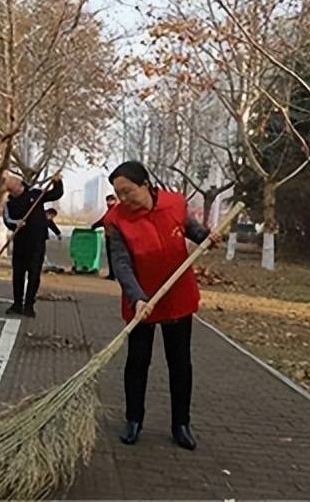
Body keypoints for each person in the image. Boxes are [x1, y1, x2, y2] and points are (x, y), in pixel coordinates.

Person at [101, 161, 220, 451]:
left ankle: (181, 424)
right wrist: (138, 297)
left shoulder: (175, 203)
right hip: (141, 299)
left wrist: (208, 237)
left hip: (177, 296)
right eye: (118, 194)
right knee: (137, 361)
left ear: (145, 184)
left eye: (128, 191)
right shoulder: (115, 220)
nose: (123, 199)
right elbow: (121, 263)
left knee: (180, 363)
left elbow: (193, 231)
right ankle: (134, 420)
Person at [2, 173, 64, 317]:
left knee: (34, 274)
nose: (13, 191)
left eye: (14, 188)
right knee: (18, 274)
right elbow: (7, 220)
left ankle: (29, 305)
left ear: (20, 185)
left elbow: (56, 194)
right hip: (20, 243)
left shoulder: (36, 195)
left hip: (37, 242)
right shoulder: (9, 203)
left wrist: (57, 182)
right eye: (10, 190)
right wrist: (16, 224)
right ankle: (17, 304)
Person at [91, 194, 120, 280]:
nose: (109, 202)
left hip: (114, 237)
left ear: (114, 200)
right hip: (108, 235)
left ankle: (114, 274)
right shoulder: (109, 210)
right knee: (110, 256)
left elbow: (108, 221)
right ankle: (112, 274)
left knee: (114, 256)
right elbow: (103, 220)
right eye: (107, 200)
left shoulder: (116, 210)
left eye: (111, 200)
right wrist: (95, 225)